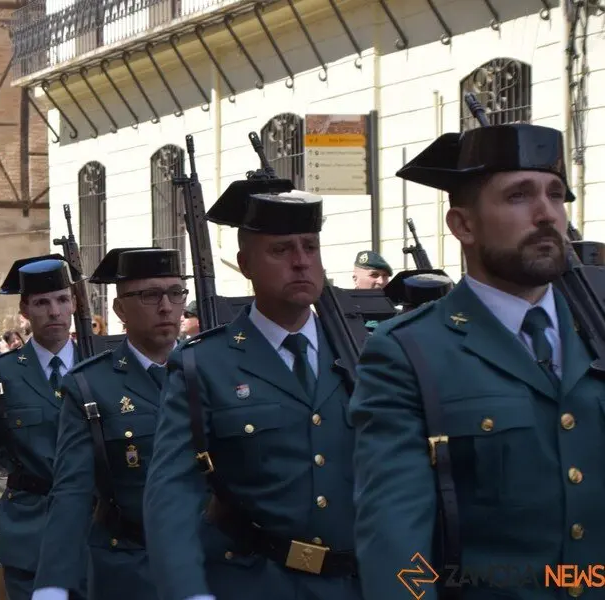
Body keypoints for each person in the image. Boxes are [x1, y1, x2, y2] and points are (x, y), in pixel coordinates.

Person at [349, 123, 605, 599]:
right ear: (463, 225)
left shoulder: (594, 327)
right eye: (518, 196)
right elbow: (395, 533)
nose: (546, 213)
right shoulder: (410, 351)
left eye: (555, 194)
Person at [143, 179, 361, 600]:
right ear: (245, 264)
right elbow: (172, 493)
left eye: (310, 247)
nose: (301, 262)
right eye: (281, 250)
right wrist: (189, 593)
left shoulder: (362, 354)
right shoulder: (204, 364)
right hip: (252, 580)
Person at [32, 248, 188, 600]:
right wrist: (54, 580)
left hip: (213, 561)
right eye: (150, 295)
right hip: (129, 564)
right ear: (120, 310)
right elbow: (72, 491)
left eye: (176, 293)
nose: (166, 307)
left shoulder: (212, 370)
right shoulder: (91, 384)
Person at [0, 255, 83, 600]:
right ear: (25, 310)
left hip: (95, 530)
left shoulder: (100, 365)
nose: (54, 311)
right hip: (30, 529)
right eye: (42, 303)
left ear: (73, 303)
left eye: (61, 300)